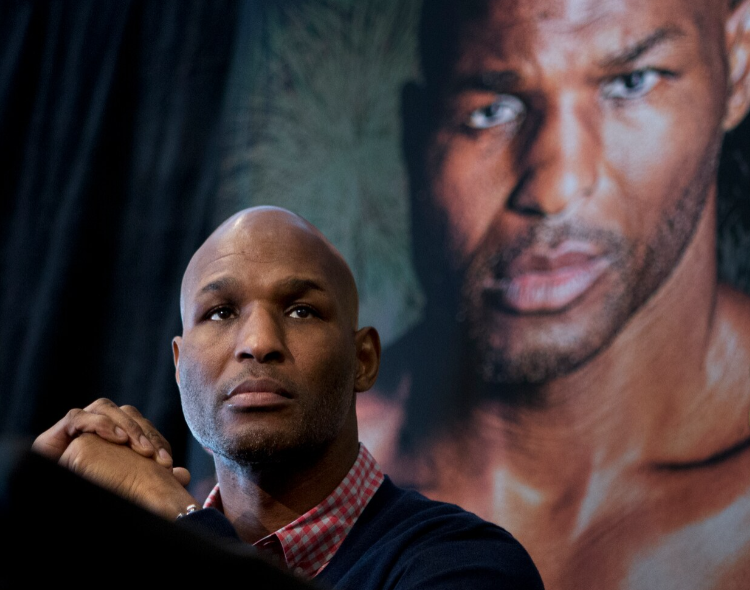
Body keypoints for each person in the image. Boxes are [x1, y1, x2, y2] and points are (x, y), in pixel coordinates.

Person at [355, 0, 750, 588]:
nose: (555, 187)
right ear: (417, 135)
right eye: (492, 109)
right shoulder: (305, 485)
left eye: (630, 83)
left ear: (738, 61)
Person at [32, 206, 543, 589]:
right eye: (220, 312)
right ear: (179, 365)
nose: (258, 343)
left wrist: (179, 524)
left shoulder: (465, 562)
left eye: (301, 310)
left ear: (363, 360)